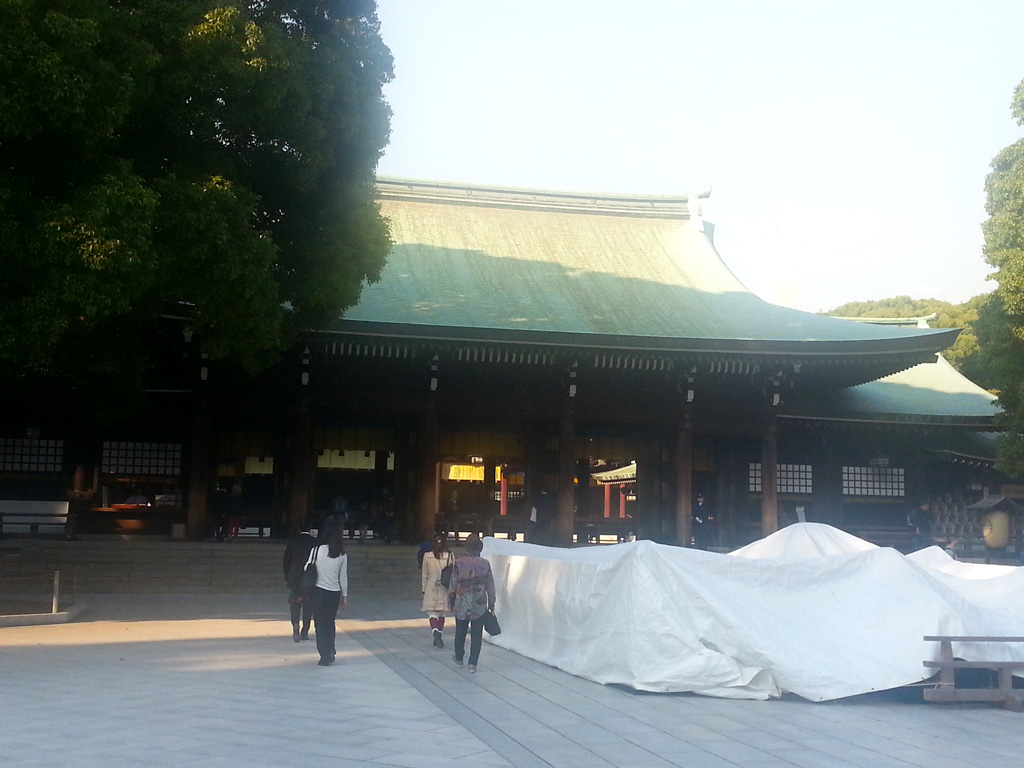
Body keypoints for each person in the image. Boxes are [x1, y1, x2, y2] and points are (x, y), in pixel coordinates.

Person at [447, 533, 495, 673]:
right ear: (480, 548)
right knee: (476, 633)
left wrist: (451, 601)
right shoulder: (485, 564)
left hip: (461, 602)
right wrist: (492, 602)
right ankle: (473, 663)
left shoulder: (459, 563)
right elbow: (490, 585)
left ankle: (459, 658)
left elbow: (453, 584)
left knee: (460, 631)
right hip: (479, 603)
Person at [308, 525, 348, 666]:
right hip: (334, 593)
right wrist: (345, 595)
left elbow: (307, 567)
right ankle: (331, 649)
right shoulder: (342, 554)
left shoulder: (316, 551)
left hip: (318, 592)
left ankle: (323, 654)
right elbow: (343, 577)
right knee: (330, 622)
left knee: (319, 624)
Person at [282, 517, 318, 642]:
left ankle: (296, 627)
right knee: (308, 605)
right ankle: (305, 630)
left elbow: (286, 560)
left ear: (298, 528)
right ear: (310, 528)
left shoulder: (293, 541)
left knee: (294, 604)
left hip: (295, 576)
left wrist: (287, 576)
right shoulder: (315, 542)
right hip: (310, 577)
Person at [421, 533, 453, 648]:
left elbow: (425, 574)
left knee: (432, 612)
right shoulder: (450, 555)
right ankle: (439, 633)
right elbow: (452, 573)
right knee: (442, 612)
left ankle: (435, 632)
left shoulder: (427, 556)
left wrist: (423, 588)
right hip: (445, 585)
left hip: (431, 585)